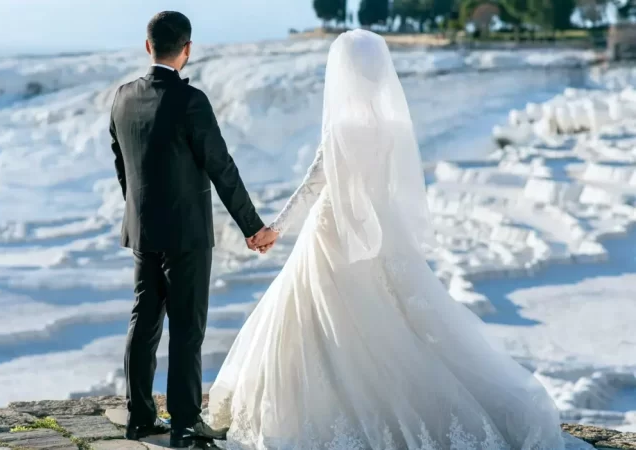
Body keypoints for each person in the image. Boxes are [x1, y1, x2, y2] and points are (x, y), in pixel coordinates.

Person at [205, 30, 566, 449]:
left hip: (334, 231)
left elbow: (313, 186)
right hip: (382, 228)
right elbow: (396, 186)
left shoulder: (341, 128)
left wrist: (275, 229)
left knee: (317, 321)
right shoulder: (393, 126)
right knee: (395, 321)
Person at [108, 11, 277, 448]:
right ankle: (184, 424)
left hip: (144, 230)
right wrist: (253, 226)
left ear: (148, 46)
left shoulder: (122, 97)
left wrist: (139, 210)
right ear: (187, 50)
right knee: (187, 328)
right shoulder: (190, 100)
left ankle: (140, 418)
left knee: (144, 321)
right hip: (186, 235)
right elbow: (221, 166)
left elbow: (122, 161)